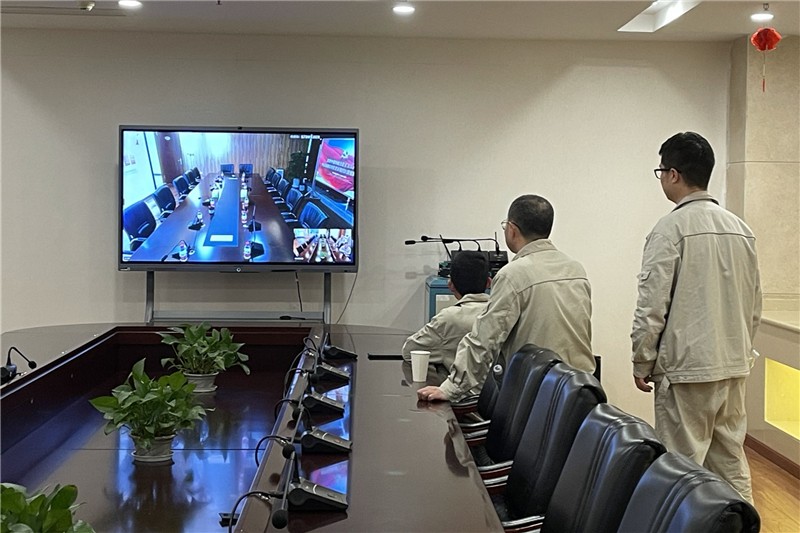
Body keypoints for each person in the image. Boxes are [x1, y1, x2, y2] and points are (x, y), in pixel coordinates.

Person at [631, 132, 761, 504]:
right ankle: (743, 524)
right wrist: (740, 352)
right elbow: (754, 306)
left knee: (679, 471)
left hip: (686, 372)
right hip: (733, 365)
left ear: (673, 174)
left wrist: (642, 360)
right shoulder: (741, 230)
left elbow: (651, 307)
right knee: (730, 463)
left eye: (661, 171)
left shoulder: (669, 229)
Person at [418, 194, 594, 403]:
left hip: (537, 395)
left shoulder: (513, 275)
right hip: (580, 391)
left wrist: (452, 388)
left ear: (512, 229)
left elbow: (485, 338)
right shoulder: (576, 270)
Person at [402, 251, 491, 374]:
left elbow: (410, 352)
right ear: (489, 283)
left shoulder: (448, 318)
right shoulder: (505, 314)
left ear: (450, 285)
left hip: (461, 386)